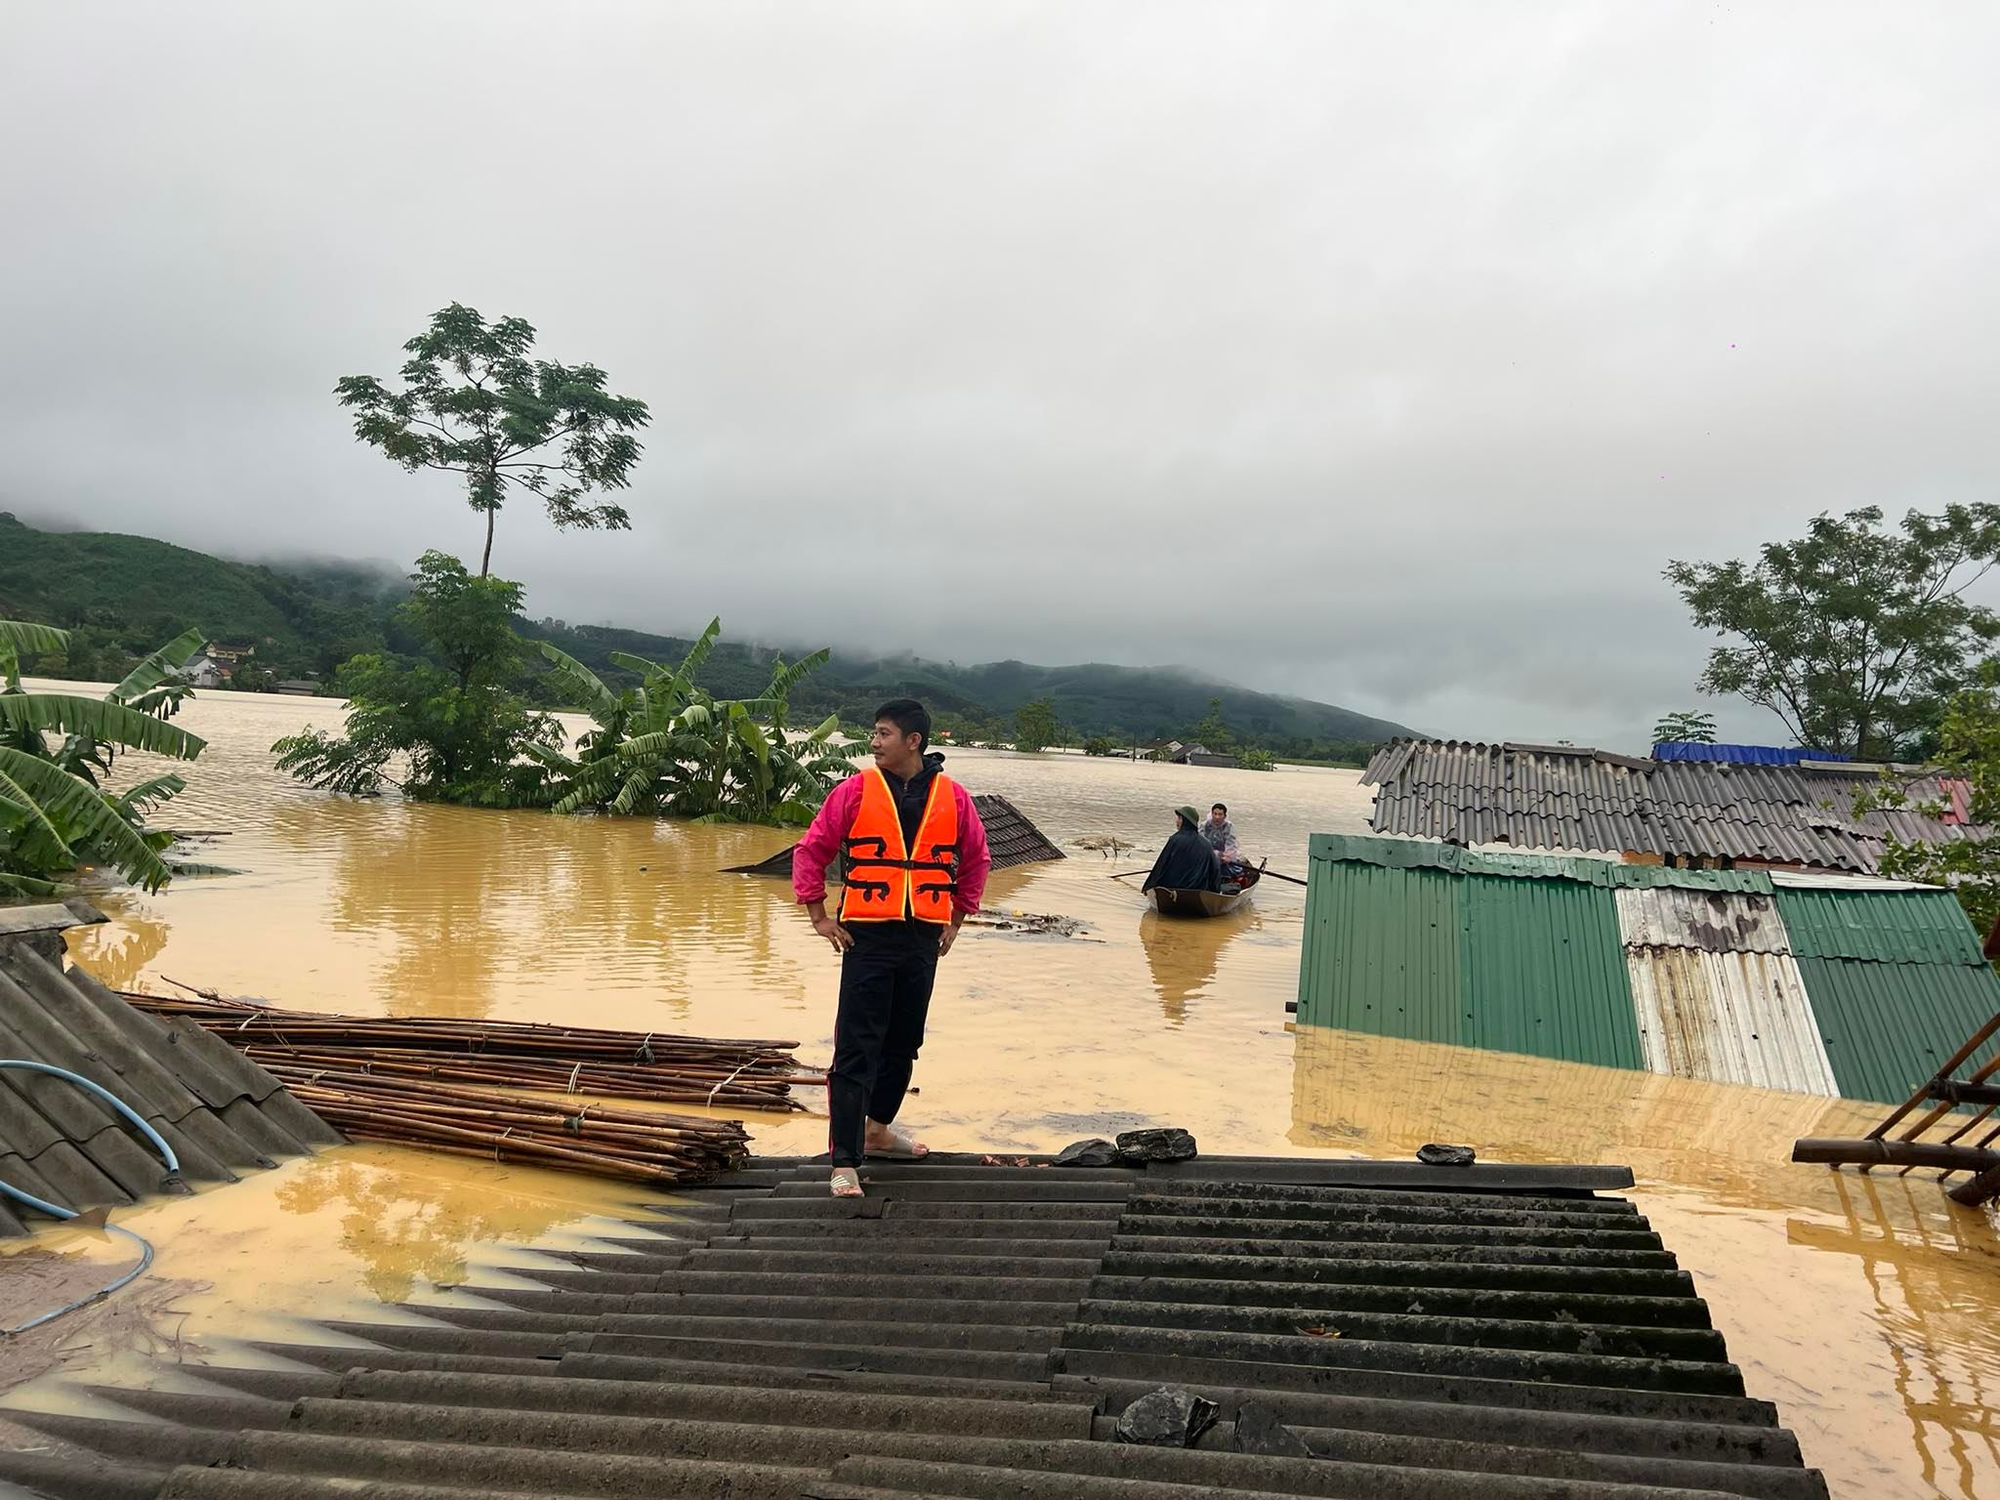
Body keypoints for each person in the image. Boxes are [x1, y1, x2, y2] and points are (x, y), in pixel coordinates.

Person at [793, 698, 990, 1199]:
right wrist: (817, 913)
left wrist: (957, 920)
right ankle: (844, 1160)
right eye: (874, 733)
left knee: (904, 1042)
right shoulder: (854, 791)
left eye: (883, 733)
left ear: (913, 741)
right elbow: (811, 849)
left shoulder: (955, 797)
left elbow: (976, 858)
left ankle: (877, 1130)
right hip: (868, 935)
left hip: (923, 937)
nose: (874, 742)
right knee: (857, 1047)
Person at [1143, 805, 1223, 894]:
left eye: (1179, 818)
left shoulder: (1175, 840)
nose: (1177, 821)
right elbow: (1215, 869)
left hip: (1173, 889)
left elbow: (1161, 865)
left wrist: (1148, 886)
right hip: (1198, 890)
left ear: (1185, 821)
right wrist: (1215, 891)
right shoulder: (1206, 843)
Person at [1203, 801, 1249, 886]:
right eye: (1215, 814)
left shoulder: (1229, 826)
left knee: (1229, 869)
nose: (1217, 817)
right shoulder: (1205, 825)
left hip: (1223, 855)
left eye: (1220, 814)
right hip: (1208, 854)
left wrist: (1227, 856)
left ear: (1224, 815)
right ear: (1212, 813)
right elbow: (1201, 840)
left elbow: (1230, 843)